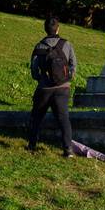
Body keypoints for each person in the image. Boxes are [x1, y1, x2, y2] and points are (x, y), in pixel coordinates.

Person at [27, 15, 77, 157]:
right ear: (58, 28)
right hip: (63, 88)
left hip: (44, 89)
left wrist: (42, 80)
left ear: (45, 29)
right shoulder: (66, 44)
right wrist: (67, 79)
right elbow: (73, 65)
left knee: (36, 117)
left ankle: (32, 145)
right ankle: (68, 150)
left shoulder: (39, 46)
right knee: (64, 119)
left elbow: (34, 69)